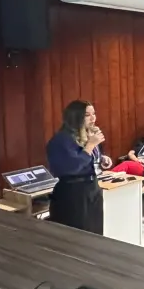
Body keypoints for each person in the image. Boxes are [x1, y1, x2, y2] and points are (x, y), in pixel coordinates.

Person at [46, 100, 106, 234]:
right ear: (76, 117)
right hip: (73, 192)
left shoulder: (87, 134)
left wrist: (101, 158)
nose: (93, 118)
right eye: (87, 115)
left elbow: (87, 158)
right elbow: (72, 166)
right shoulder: (61, 140)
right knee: (79, 232)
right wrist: (91, 145)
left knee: (95, 230)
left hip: (92, 188)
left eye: (94, 114)